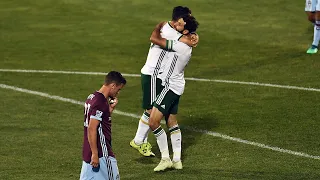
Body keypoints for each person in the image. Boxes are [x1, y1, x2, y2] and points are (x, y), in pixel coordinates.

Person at [130, 6, 198, 157]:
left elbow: (186, 35)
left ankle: (140, 140)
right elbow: (180, 38)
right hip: (153, 74)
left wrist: (192, 34)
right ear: (179, 21)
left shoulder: (173, 29)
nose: (189, 21)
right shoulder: (169, 31)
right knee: (151, 109)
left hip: (157, 74)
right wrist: (190, 37)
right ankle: (139, 140)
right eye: (187, 19)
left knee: (153, 109)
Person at [148, 15, 199, 172]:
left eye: (181, 25)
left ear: (185, 31)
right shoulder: (186, 42)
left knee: (153, 122)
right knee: (172, 121)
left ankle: (165, 159)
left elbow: (155, 39)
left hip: (169, 86)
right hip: (178, 85)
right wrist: (194, 36)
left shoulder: (179, 45)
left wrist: (157, 27)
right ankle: (177, 160)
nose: (178, 25)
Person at [80, 71, 126, 180]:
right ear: (113, 86)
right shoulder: (100, 102)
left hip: (87, 152)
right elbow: (92, 128)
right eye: (118, 89)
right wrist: (95, 154)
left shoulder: (92, 97)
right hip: (102, 154)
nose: (118, 93)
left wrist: (110, 109)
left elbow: (99, 120)